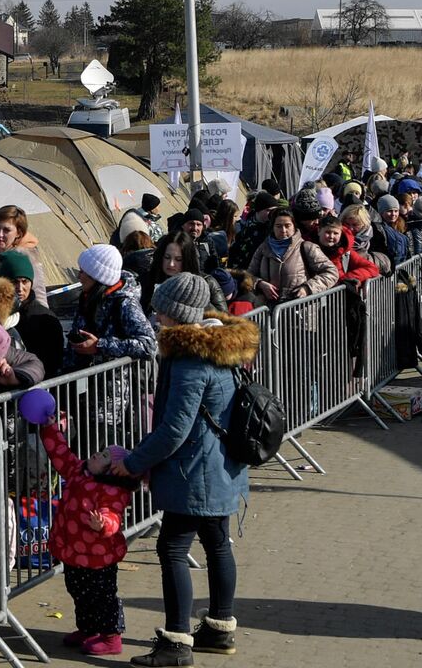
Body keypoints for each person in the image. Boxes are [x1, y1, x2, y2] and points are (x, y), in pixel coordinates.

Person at [112, 274, 255, 666]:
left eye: (160, 308)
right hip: (222, 466)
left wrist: (133, 462)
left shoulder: (191, 359)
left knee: (172, 547)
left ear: (176, 313)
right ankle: (219, 628)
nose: (155, 315)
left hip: (195, 471)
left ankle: (176, 642)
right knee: (217, 544)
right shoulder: (221, 345)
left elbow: (176, 428)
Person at [31, 392, 139, 657]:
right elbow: (60, 453)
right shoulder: (78, 470)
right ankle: (88, 628)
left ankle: (112, 637)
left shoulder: (112, 492)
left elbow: (113, 517)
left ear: (112, 470)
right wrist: (49, 427)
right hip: (75, 552)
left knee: (102, 598)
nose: (96, 454)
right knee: (78, 591)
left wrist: (103, 525)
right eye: (100, 451)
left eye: (103, 456)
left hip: (98, 556)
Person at [64, 245, 157, 372]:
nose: (78, 277)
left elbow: (148, 345)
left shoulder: (125, 303)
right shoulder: (87, 297)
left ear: (96, 277)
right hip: (84, 382)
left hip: (112, 386)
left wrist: (100, 345)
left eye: (82, 272)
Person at [246, 209, 337, 306]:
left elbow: (331, 272)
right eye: (278, 226)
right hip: (269, 310)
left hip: (300, 310)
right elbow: (248, 275)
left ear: (294, 226)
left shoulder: (307, 247)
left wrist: (308, 288)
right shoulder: (263, 248)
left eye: (287, 225)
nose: (283, 230)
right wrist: (260, 283)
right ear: (272, 227)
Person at [0, 251, 66, 377]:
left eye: (25, 281)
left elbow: (51, 363)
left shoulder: (45, 320)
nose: (20, 287)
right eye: (14, 282)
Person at [0, 206, 48, 306]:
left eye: (6, 230)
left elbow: (39, 297)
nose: (0, 234)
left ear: (18, 233)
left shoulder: (27, 259)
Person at [142, 232, 223, 317]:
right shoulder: (147, 280)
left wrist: (195, 299)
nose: (171, 264)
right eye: (167, 257)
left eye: (178, 259)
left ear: (187, 259)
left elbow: (223, 321)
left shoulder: (208, 282)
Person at [316, 215, 380, 286]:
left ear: (341, 234)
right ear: (319, 231)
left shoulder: (346, 253)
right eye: (327, 232)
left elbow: (372, 268)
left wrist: (345, 279)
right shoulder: (308, 249)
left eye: (335, 233)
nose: (331, 236)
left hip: (339, 295)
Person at [369, 196, 411, 269]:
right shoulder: (376, 229)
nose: (393, 214)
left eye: (396, 211)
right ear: (381, 212)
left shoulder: (403, 225)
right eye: (389, 211)